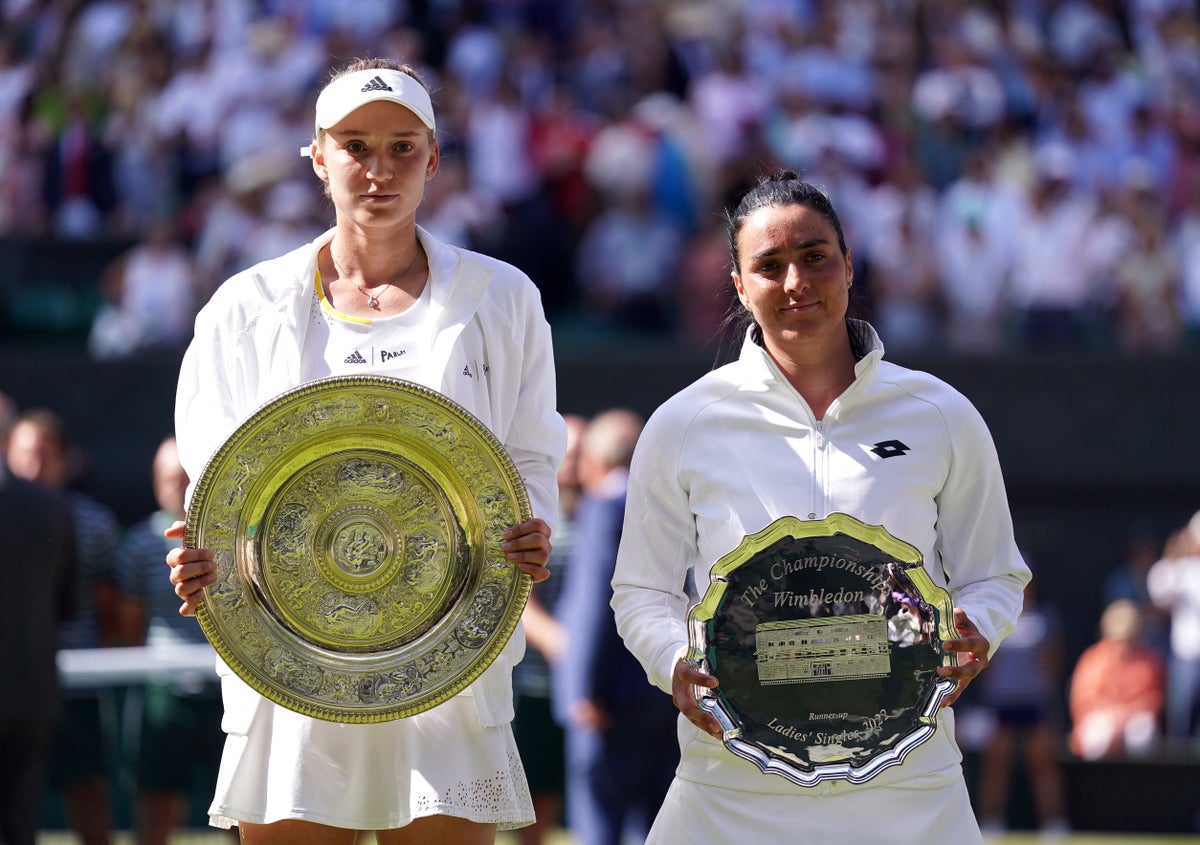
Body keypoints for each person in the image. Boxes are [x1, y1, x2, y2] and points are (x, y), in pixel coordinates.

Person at [163, 57, 566, 845]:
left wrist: (533, 526)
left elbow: (529, 458)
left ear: (434, 159)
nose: (379, 169)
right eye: (355, 146)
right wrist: (201, 551)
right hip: (287, 656)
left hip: (450, 650)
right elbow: (213, 478)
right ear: (317, 157)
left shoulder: (506, 297)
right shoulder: (240, 309)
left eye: (402, 147)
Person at [609, 171, 1031, 845]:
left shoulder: (941, 414)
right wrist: (673, 661)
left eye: (814, 256)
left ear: (849, 264)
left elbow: (995, 574)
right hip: (730, 788)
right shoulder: (683, 422)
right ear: (740, 286)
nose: (797, 282)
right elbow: (641, 591)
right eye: (769, 266)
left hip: (908, 791)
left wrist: (973, 630)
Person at [553, 409, 678, 845]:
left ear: (595, 460)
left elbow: (593, 605)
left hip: (610, 695)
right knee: (655, 818)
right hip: (664, 687)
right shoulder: (666, 505)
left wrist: (582, 688)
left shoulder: (605, 507)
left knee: (599, 822)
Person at [7, 408, 121, 845]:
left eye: (43, 454)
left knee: (88, 791)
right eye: (23, 454)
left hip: (76, 689)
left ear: (63, 459)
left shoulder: (94, 523)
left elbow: (104, 606)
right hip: (22, 686)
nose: (33, 466)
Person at [115, 436, 235, 845]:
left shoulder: (232, 537)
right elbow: (130, 620)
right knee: (157, 796)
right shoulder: (137, 543)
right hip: (164, 688)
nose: (174, 484)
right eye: (167, 477)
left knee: (240, 804)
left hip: (228, 683)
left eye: (182, 476)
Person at [0, 398, 79, 845]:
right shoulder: (52, 508)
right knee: (20, 823)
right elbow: (68, 607)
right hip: (32, 696)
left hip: (30, 695)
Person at [511, 413, 586, 845]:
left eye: (580, 455)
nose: (573, 465)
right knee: (536, 801)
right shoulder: (538, 520)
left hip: (587, 685)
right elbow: (524, 602)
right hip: (539, 681)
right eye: (567, 456)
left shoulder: (604, 514)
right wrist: (568, 650)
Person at [972, 577, 1070, 834]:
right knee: (996, 765)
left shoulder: (1045, 617)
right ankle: (991, 822)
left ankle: (1054, 824)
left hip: (1034, 702)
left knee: (1042, 765)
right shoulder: (999, 615)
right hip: (1001, 702)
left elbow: (1054, 658)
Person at [1069, 599, 1165, 760]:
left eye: (1128, 639)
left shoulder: (1149, 661)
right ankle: (1097, 782)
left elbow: (1154, 700)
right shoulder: (1092, 660)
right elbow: (1081, 702)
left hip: (1133, 720)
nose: (1122, 646)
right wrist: (1112, 717)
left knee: (1142, 732)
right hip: (1101, 720)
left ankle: (1140, 783)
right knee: (1099, 736)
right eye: (1118, 640)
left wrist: (1124, 716)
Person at [1147, 510, 1200, 741]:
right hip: (1187, 655)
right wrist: (1175, 557)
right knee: (1182, 714)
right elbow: (1159, 593)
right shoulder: (1179, 568)